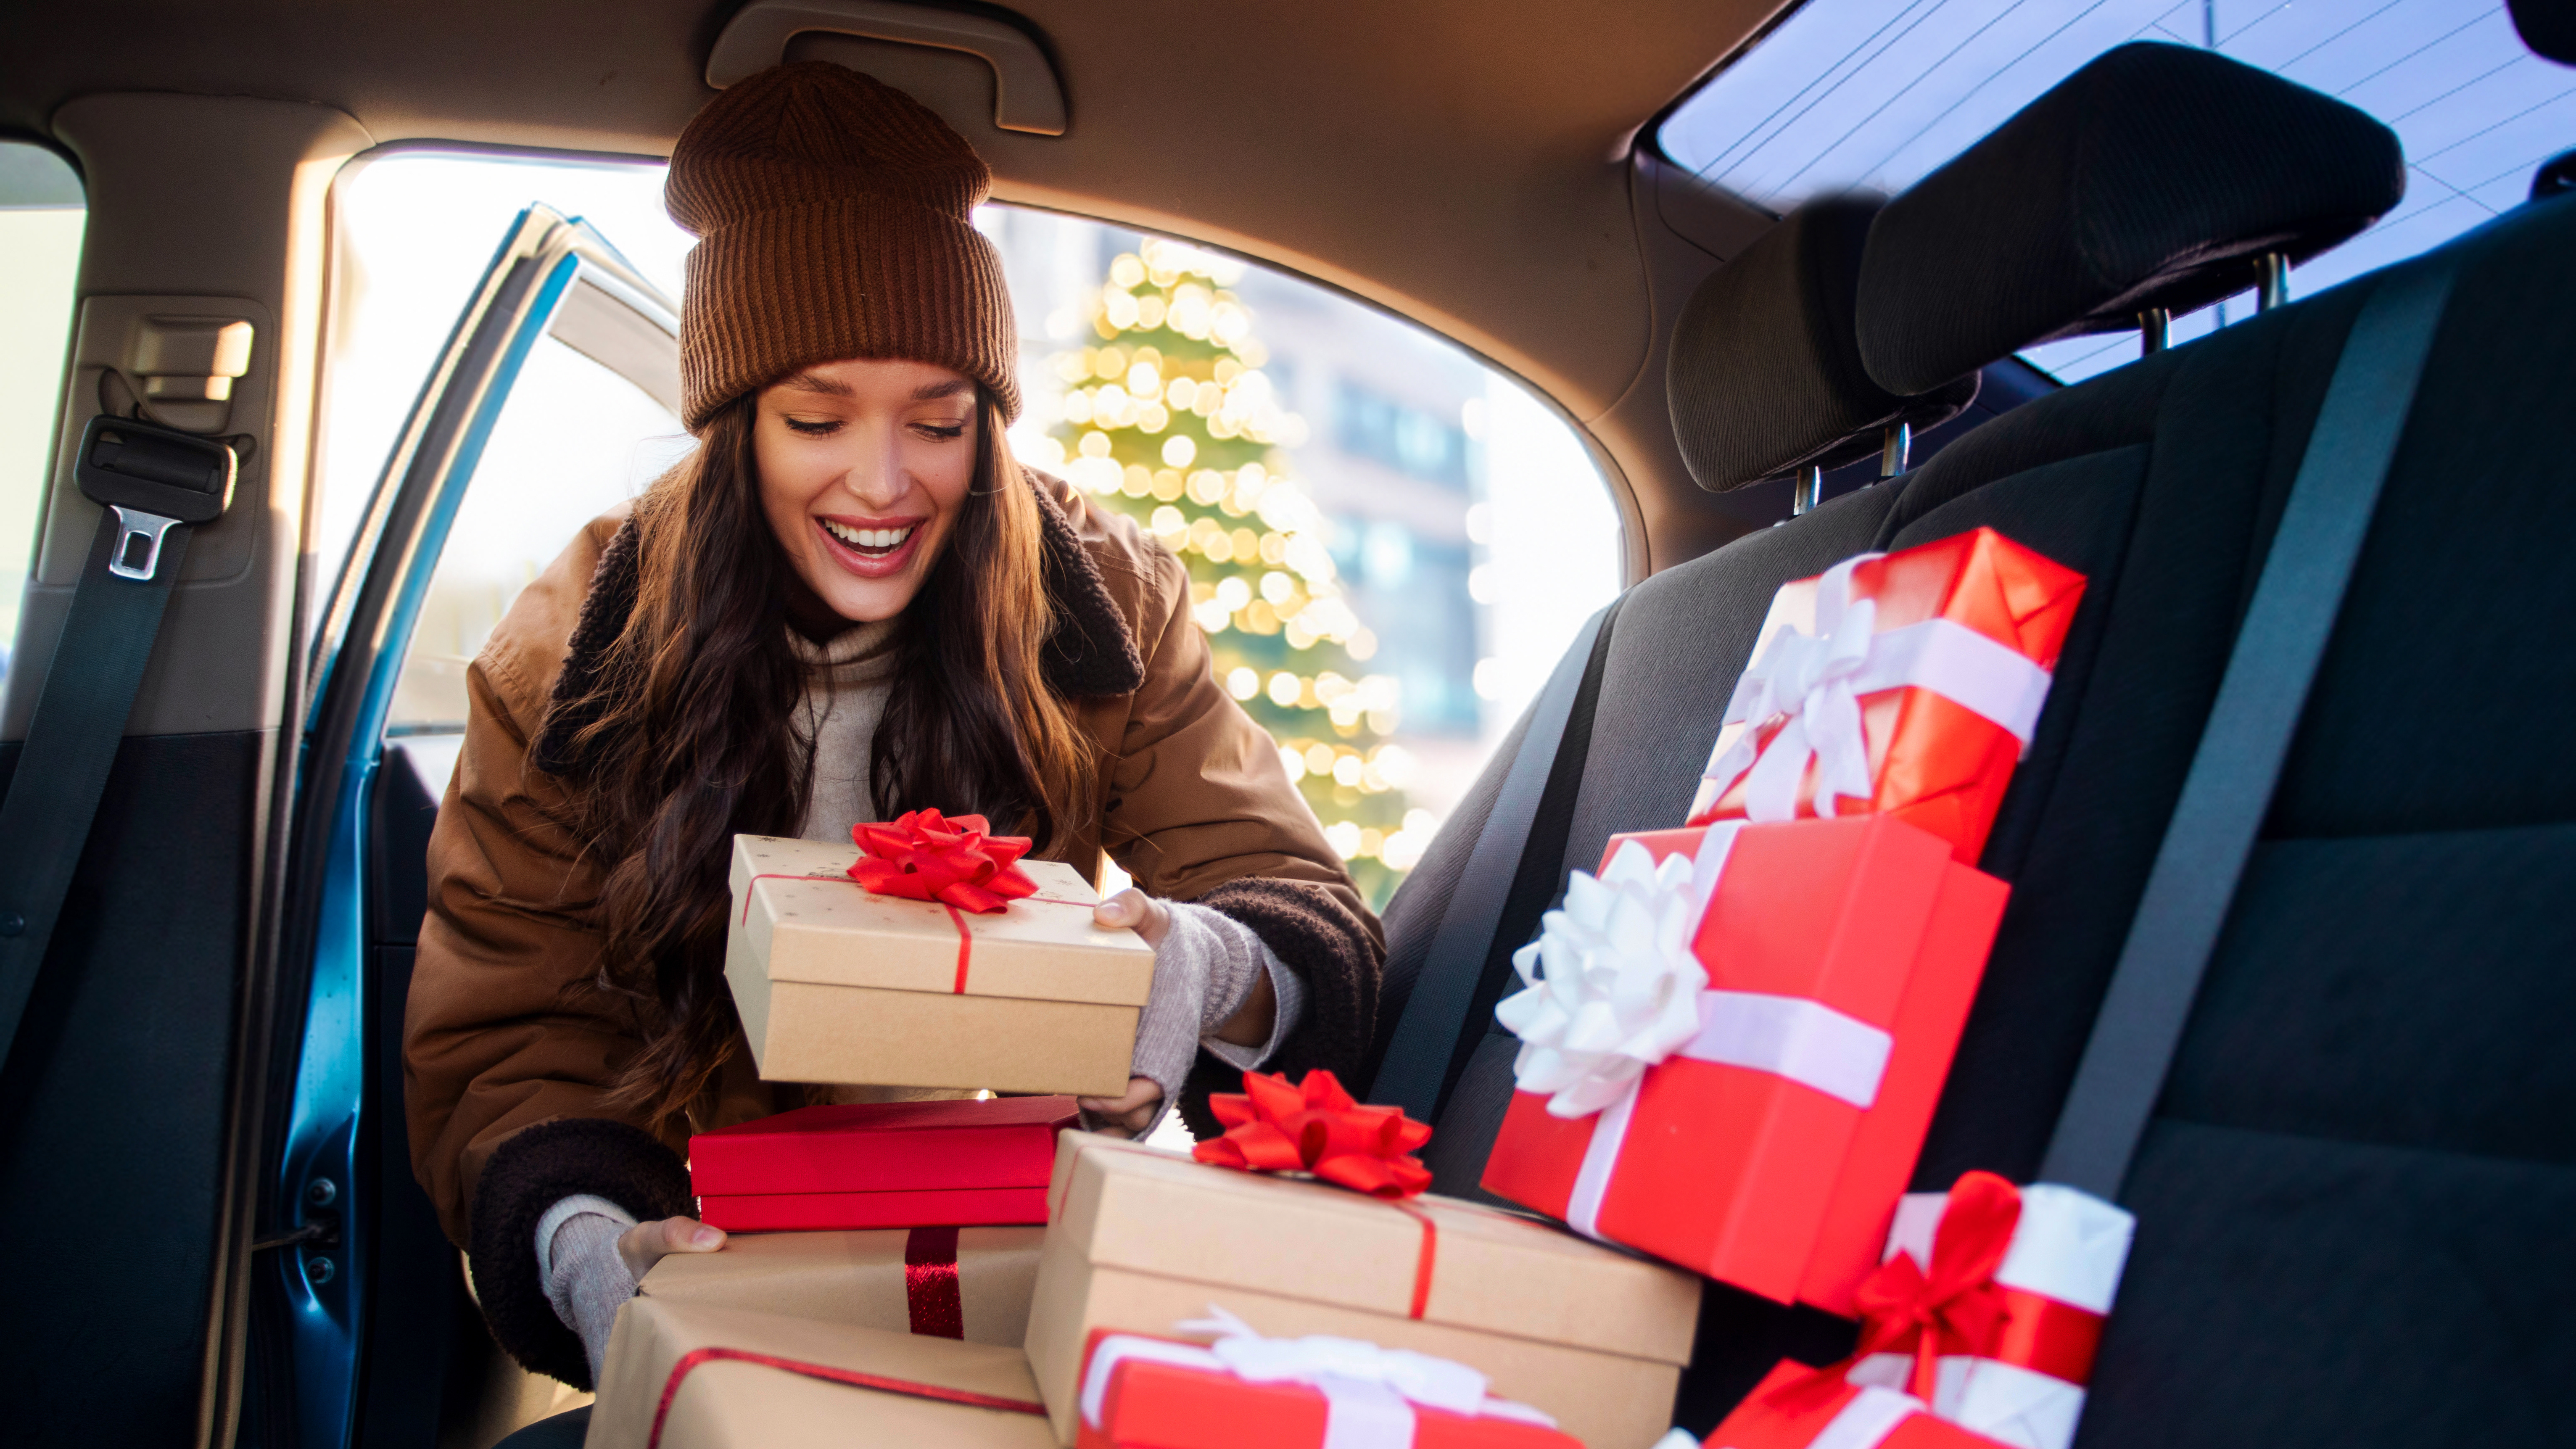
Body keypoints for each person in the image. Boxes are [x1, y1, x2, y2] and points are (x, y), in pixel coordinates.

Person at [402, 62, 1383, 1402]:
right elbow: (507, 1036)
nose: (883, 483)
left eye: (939, 420)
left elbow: (1288, 894)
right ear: (734, 423)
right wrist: (587, 1243)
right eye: (817, 419)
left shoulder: (1106, 598)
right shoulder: (574, 652)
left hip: (1002, 1264)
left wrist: (1210, 969)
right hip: (722, 1273)